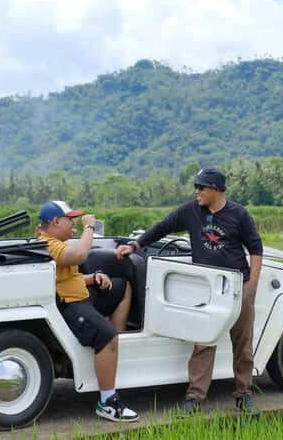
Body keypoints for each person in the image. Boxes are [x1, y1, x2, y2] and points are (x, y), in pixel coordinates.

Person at [115, 168, 263, 415]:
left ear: (216, 189)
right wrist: (136, 245)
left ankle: (244, 394)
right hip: (207, 288)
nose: (197, 192)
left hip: (236, 287)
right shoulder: (191, 210)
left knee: (243, 344)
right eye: (196, 186)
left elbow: (256, 250)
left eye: (201, 187)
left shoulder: (239, 215)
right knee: (204, 341)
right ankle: (195, 397)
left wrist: (252, 287)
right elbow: (164, 226)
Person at [37, 200, 138, 422]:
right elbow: (81, 255)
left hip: (79, 294)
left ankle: (111, 349)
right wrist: (89, 227)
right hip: (70, 304)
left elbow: (66, 276)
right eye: (69, 220)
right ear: (55, 222)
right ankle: (107, 402)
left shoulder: (53, 242)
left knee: (122, 286)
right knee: (106, 335)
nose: (72, 225)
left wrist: (92, 278)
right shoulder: (49, 244)